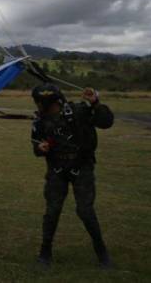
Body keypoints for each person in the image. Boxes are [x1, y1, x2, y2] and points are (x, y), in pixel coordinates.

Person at [31, 84, 114, 268]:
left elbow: (106, 122)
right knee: (52, 211)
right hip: (56, 169)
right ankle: (45, 253)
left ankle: (102, 252)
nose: (38, 106)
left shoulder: (79, 111)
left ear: (51, 102)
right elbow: (35, 147)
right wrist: (40, 148)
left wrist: (95, 103)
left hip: (81, 167)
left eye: (40, 103)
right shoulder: (39, 121)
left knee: (85, 211)